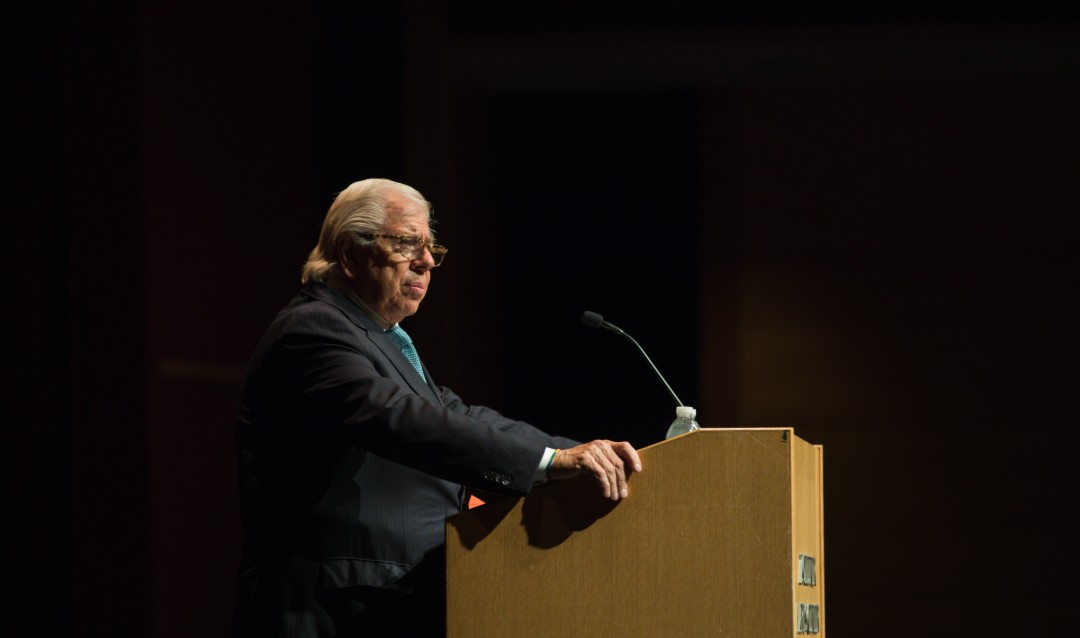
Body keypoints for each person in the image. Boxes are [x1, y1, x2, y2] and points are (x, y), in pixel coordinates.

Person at [233, 178, 642, 636]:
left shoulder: (376, 335)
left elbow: (460, 416)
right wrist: (552, 463)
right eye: (407, 243)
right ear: (349, 254)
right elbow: (401, 419)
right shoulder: (312, 331)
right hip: (328, 608)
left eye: (429, 247)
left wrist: (591, 453)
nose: (426, 261)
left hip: (383, 600)